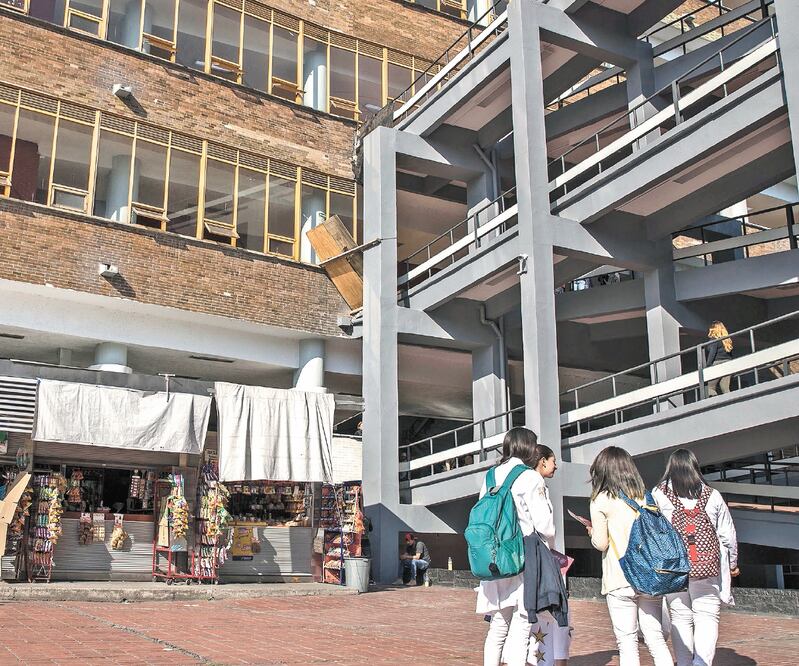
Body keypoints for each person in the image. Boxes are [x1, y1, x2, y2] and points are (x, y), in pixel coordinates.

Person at [477, 427, 556, 666]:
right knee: (523, 624)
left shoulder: (490, 476)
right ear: (529, 447)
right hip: (524, 557)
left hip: (494, 557)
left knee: (498, 627)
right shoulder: (530, 477)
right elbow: (545, 526)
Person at [652, 449, 739, 666]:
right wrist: (732, 563)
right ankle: (701, 663)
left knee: (680, 617)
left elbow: (653, 531)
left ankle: (683, 663)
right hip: (707, 568)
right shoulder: (712, 495)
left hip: (674, 567)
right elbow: (728, 535)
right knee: (707, 616)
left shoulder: (658, 494)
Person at [587, 446, 672, 666]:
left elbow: (601, 543)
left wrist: (592, 534)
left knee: (627, 642)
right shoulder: (646, 497)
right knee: (656, 638)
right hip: (650, 576)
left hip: (620, 577)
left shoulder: (601, 500)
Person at [526, 443, 572, 666]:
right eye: (553, 460)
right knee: (552, 610)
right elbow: (546, 526)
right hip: (543, 555)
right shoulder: (536, 483)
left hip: (533, 554)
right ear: (542, 461)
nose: (555, 466)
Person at [705, 321, 734, 396]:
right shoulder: (727, 341)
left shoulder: (714, 340)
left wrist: (707, 366)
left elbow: (712, 354)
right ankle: (731, 403)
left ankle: (715, 405)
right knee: (725, 388)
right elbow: (730, 355)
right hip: (728, 364)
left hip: (717, 364)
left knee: (710, 388)